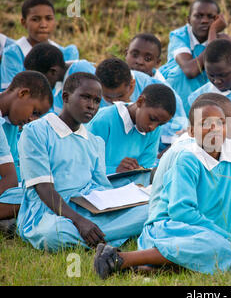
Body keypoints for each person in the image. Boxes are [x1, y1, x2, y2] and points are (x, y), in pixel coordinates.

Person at [94, 99, 231, 278]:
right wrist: (227, 239)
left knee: (230, 257)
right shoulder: (187, 159)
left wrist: (229, 236)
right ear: (191, 131)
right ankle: (120, 258)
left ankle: (149, 269)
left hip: (206, 233)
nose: (214, 129)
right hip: (171, 229)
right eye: (205, 124)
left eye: (220, 123)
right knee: (216, 248)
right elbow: (181, 212)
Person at [16, 72, 149, 251]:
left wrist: (118, 202)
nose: (91, 106)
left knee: (147, 211)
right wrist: (79, 222)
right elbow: (44, 189)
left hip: (88, 207)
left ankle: (98, 236)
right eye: (85, 97)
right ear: (66, 97)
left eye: (96, 101)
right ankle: (109, 236)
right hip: (50, 211)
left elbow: (100, 186)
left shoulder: (94, 142)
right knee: (53, 234)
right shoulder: (35, 132)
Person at [0, 71, 52, 235]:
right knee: (41, 196)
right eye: (35, 112)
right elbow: (10, 178)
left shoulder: (12, 125)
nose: (32, 119)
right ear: (23, 93)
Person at [87, 83, 176, 180]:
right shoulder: (103, 120)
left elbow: (145, 168)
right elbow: (85, 165)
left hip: (130, 189)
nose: (153, 127)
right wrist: (115, 170)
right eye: (152, 118)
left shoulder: (153, 130)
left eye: (160, 124)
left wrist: (136, 170)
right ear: (140, 101)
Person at [95, 58, 187, 148]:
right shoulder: (100, 113)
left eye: (120, 96)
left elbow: (180, 129)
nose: (114, 102)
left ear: (132, 85)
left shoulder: (158, 92)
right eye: (107, 97)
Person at [159, 0, 229, 111]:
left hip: (204, 93)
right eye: (199, 16)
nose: (205, 20)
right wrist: (213, 31)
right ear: (189, 20)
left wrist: (213, 34)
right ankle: (182, 118)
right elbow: (190, 71)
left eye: (211, 17)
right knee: (180, 74)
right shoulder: (180, 36)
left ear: (218, 19)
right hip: (177, 86)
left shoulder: (222, 39)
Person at [0, 0, 78, 91]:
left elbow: (73, 90)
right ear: (24, 22)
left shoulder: (66, 53)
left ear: (55, 21)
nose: (43, 25)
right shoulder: (13, 53)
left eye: (48, 19)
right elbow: (10, 93)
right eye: (35, 19)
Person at [24, 42, 96, 114]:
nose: (38, 85)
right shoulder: (57, 86)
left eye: (39, 79)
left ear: (53, 71)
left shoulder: (82, 74)